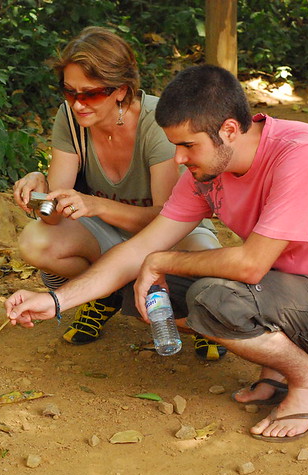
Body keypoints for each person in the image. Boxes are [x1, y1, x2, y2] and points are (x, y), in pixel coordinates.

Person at [5, 64, 308, 442]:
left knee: (214, 299)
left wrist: (161, 261)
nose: (179, 159)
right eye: (176, 146)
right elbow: (139, 248)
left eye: (188, 145)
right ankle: (277, 372)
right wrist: (54, 301)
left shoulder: (302, 154)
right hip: (285, 287)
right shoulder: (205, 172)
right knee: (140, 290)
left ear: (228, 130)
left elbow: (251, 265)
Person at [13, 27, 223, 359]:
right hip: (109, 236)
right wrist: (39, 192)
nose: (78, 104)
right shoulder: (70, 119)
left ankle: (198, 321)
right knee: (35, 240)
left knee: (208, 277)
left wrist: (97, 205)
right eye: (69, 92)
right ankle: (105, 295)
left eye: (91, 94)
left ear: (121, 91)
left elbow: (166, 218)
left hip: (172, 235)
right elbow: (53, 217)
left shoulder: (157, 121)